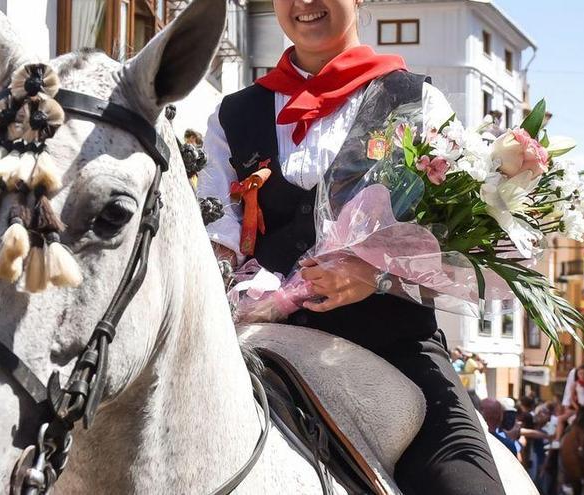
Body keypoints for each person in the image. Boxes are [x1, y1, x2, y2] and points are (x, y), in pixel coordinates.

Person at [196, 0, 505, 492]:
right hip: (254, 344)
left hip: (393, 343)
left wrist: (375, 275)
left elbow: (456, 239)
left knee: (465, 485)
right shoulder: (232, 115)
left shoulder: (416, 101)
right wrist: (238, 288)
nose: (305, 4)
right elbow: (214, 233)